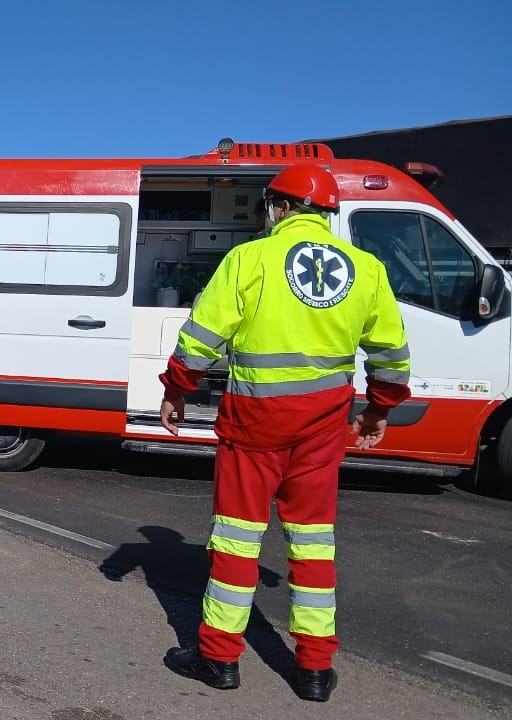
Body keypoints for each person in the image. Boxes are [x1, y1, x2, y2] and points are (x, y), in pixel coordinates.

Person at [157, 164, 411, 702]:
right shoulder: (366, 270)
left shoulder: (250, 258)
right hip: (322, 428)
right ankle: (314, 669)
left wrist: (177, 389)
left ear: (281, 207)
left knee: (236, 539)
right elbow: (391, 355)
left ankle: (218, 658)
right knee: (314, 544)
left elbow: (201, 337)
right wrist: (378, 410)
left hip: (254, 425)